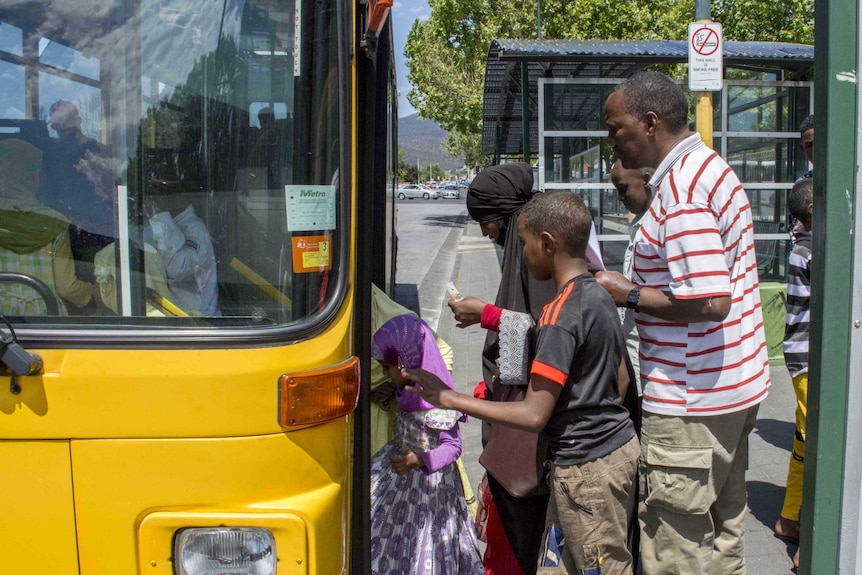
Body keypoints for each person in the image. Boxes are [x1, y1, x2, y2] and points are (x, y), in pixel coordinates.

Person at [404, 191, 639, 575]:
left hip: (585, 471)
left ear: (547, 244)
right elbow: (621, 377)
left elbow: (533, 414)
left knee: (603, 566)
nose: (522, 254)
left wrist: (448, 397)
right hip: (614, 454)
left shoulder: (559, 316)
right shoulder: (599, 294)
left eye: (525, 244)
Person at [597, 70, 770, 575]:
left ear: (649, 123)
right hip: (733, 386)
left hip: (691, 403)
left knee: (673, 542)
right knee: (724, 533)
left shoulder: (683, 190)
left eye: (616, 128)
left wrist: (627, 292)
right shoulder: (709, 168)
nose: (611, 139)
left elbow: (711, 300)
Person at [449, 162, 557, 575]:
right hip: (517, 414)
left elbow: (544, 334)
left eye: (487, 222)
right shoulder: (520, 252)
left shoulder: (537, 259)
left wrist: (487, 314)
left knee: (523, 535)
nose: (484, 233)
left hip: (532, 425)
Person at [369, 314, 484, 575]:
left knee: (425, 542)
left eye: (386, 368)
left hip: (429, 488)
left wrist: (420, 459)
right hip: (400, 474)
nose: (383, 373)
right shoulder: (407, 389)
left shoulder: (437, 400)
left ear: (404, 363)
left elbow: (453, 447)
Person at [0, 138, 99, 315]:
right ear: (31, 177)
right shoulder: (55, 222)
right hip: (47, 320)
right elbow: (67, 287)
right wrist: (94, 293)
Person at [776, 177, 813, 569]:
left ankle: (790, 518)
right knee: (815, 442)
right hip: (807, 360)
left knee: (805, 439)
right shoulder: (811, 250)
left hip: (801, 358)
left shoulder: (802, 245)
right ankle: (806, 529)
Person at [41, 100, 116, 280]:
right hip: (61, 231)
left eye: (66, 121)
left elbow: (113, 190)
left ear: (79, 120)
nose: (63, 128)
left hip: (101, 230)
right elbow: (43, 192)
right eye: (58, 125)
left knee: (105, 280)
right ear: (53, 126)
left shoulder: (99, 151)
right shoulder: (49, 154)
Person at [610, 159, 653, 394]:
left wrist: (628, 294)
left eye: (623, 189)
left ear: (646, 181)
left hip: (656, 369)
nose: (620, 198)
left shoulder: (661, 228)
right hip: (635, 353)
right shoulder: (639, 227)